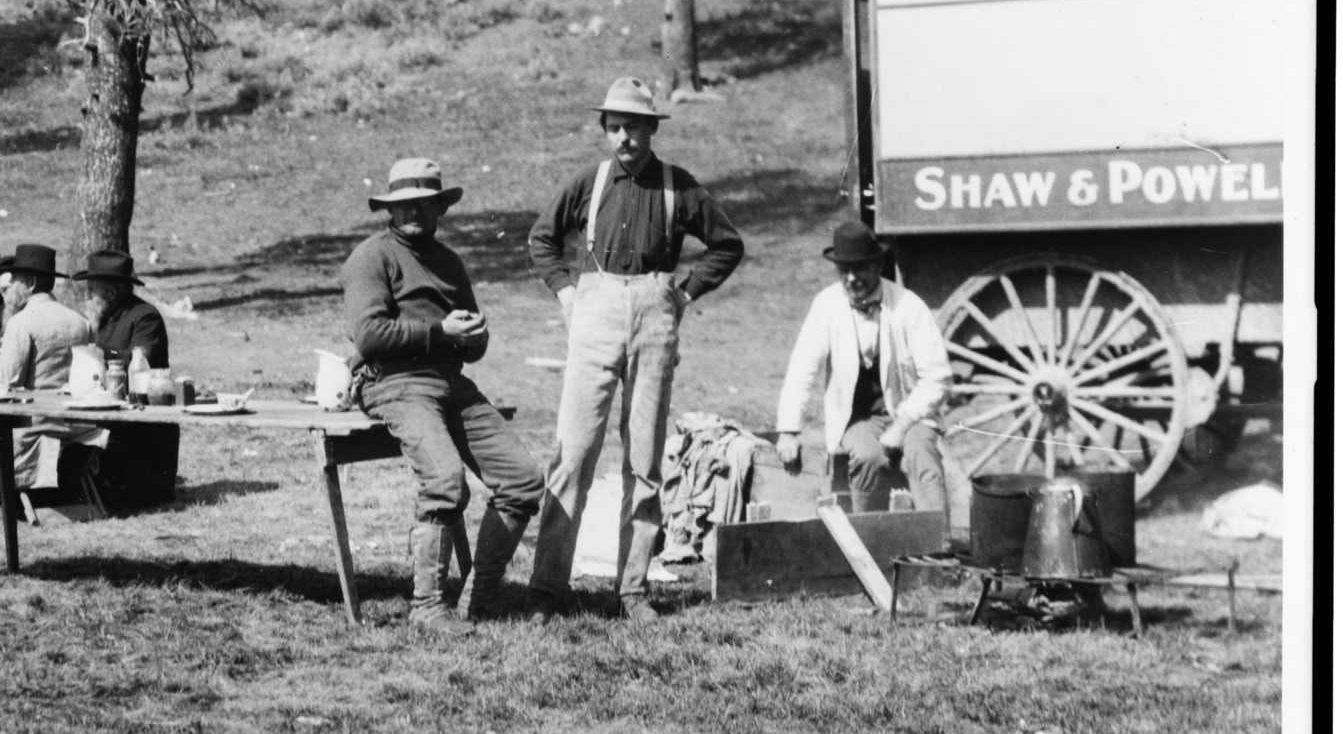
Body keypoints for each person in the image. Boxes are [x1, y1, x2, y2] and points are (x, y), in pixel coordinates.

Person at [526, 77, 746, 620]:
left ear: (652, 129)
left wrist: (685, 293)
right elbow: (542, 239)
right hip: (595, 312)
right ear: (605, 129)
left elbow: (727, 245)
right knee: (573, 453)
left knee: (645, 460)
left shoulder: (679, 186)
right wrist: (567, 293)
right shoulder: (589, 182)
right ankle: (547, 588)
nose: (624, 137)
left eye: (634, 127)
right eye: (615, 127)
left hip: (654, 314)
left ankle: (631, 590)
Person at [342, 157, 544, 630]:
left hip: (451, 383)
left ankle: (482, 596)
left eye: (426, 203)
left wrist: (475, 338)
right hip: (393, 383)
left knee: (523, 479)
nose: (416, 212)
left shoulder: (450, 262)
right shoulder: (372, 257)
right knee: (445, 481)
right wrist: (441, 330)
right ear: (390, 209)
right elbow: (369, 335)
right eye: (405, 204)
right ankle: (428, 606)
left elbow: (469, 341)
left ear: (440, 208)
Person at [775, 219, 949, 511]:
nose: (852, 279)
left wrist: (903, 425)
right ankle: (867, 544)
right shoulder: (827, 305)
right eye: (844, 270)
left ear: (878, 265)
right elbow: (802, 368)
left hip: (911, 414)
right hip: (859, 418)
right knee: (869, 456)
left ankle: (937, 545)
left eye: (860, 269)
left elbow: (937, 378)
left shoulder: (908, 306)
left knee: (923, 454)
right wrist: (789, 431)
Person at [0, 244, 98, 494]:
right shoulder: (80, 322)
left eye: (16, 281)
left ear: (30, 283)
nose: (9, 288)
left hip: (31, 433)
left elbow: (4, 383)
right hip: (75, 430)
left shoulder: (22, 323)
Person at [72, 250, 168, 370]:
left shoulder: (146, 318)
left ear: (111, 293)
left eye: (92, 290)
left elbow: (134, 362)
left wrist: (97, 347)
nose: (87, 295)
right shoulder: (102, 315)